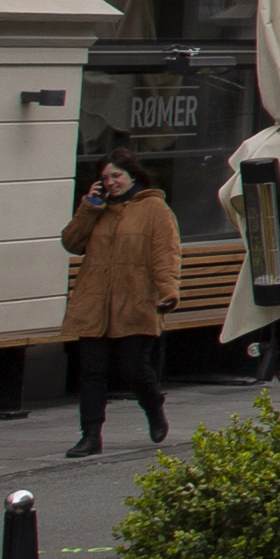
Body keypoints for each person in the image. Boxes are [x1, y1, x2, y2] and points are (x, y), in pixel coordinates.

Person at [60, 151, 179, 455]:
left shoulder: (154, 208)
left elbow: (165, 253)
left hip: (135, 300)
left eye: (116, 176)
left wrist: (167, 291)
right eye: (104, 178)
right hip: (95, 303)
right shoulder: (98, 209)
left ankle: (153, 407)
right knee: (92, 371)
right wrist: (89, 208)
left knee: (133, 368)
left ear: (132, 176)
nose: (110, 182)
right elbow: (71, 243)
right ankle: (90, 435)